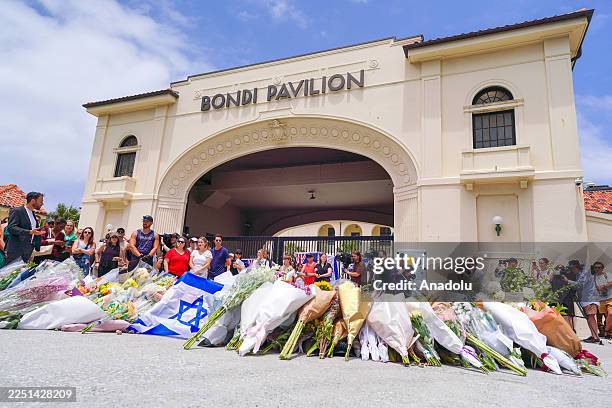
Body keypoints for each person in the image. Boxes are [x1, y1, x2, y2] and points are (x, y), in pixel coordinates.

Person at [563, 260, 601, 344]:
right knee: (589, 317)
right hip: (585, 299)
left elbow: (579, 285)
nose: (571, 270)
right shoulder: (579, 274)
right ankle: (593, 335)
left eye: (572, 268)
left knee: (591, 317)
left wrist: (567, 281)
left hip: (590, 298)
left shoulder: (584, 274)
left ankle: (595, 337)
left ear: (576, 267)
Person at [5, 192, 46, 263]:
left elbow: (33, 233)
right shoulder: (17, 211)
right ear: (33, 201)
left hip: (27, 251)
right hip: (16, 250)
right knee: (10, 273)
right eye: (41, 201)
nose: (42, 204)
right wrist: (29, 232)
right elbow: (11, 228)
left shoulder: (33, 214)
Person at [593, 262, 612, 339]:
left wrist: (604, 286)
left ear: (602, 268)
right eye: (596, 267)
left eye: (599, 267)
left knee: (610, 314)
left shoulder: (607, 275)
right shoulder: (593, 277)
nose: (597, 269)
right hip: (600, 299)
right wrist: (597, 289)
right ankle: (605, 332)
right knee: (604, 316)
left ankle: (607, 330)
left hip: (610, 298)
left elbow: (611, 282)